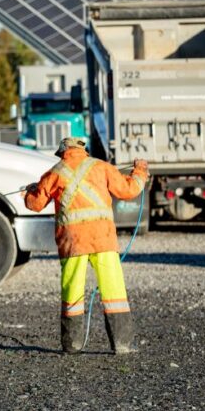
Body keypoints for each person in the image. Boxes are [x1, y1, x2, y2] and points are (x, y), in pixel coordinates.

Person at [24, 137, 149, 355]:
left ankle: (72, 345)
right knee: (114, 290)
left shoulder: (54, 173)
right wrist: (140, 171)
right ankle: (122, 344)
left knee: (72, 290)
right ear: (84, 151)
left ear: (62, 153)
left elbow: (34, 204)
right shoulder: (102, 167)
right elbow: (129, 190)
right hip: (103, 240)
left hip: (72, 243)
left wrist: (31, 190)